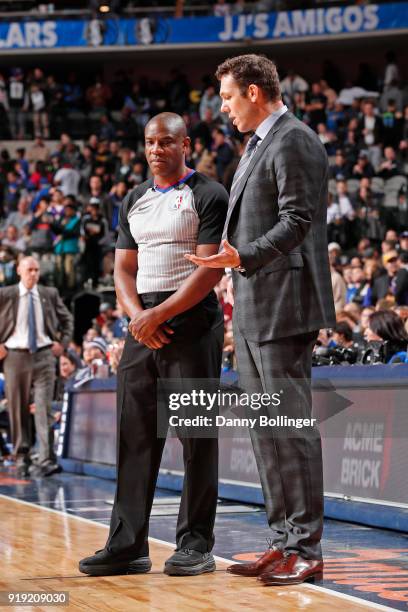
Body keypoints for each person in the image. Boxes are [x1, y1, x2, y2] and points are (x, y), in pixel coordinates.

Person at [186, 54, 335, 586]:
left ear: (253, 91)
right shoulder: (256, 145)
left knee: (290, 429)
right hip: (253, 304)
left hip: (285, 302)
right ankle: (283, 540)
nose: (222, 108)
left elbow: (298, 220)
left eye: (227, 97)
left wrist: (241, 257)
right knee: (265, 428)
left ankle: (306, 547)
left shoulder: (294, 138)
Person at [79, 112, 228, 577]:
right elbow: (123, 269)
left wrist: (159, 315)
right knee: (136, 435)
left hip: (191, 321)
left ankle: (196, 543)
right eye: (149, 142)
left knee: (195, 437)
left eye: (165, 142)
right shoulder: (134, 198)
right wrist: (138, 318)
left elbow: (210, 270)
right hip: (143, 322)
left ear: (185, 144)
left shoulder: (208, 194)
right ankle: (127, 545)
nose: (155, 150)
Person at [0, 256, 73, 477]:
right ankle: (21, 456)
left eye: (36, 270)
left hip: (44, 355)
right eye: (29, 269)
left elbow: (67, 319)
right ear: (19, 271)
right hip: (14, 356)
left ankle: (46, 459)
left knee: (44, 407)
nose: (34, 273)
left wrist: (63, 343)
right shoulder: (5, 294)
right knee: (18, 407)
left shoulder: (49, 294)